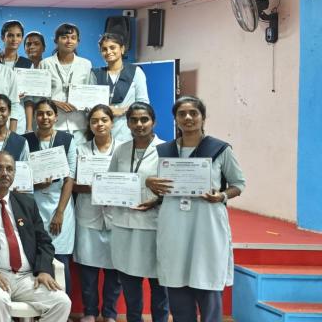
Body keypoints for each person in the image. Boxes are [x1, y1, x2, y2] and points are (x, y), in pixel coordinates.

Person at [146, 96, 246, 322]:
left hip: (207, 224)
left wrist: (221, 195)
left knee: (207, 279)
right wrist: (149, 182)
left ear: (203, 117)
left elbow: (238, 184)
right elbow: (155, 182)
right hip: (173, 223)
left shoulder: (219, 149)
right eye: (182, 114)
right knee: (176, 281)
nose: (188, 118)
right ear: (175, 119)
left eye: (193, 113)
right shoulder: (164, 151)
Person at [0, 151, 70, 322]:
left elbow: (44, 241)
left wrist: (44, 270)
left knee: (62, 302)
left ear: (15, 173)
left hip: (28, 277)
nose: (5, 173)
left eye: (9, 169)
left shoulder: (27, 203)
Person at [108, 102, 169, 322]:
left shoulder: (166, 150)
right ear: (127, 123)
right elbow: (111, 181)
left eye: (144, 119)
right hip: (124, 226)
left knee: (159, 287)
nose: (139, 124)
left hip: (153, 226)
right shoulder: (121, 150)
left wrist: (157, 200)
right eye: (133, 120)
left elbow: (174, 188)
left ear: (154, 122)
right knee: (130, 287)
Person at [72, 105, 121, 322]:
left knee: (114, 269)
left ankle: (110, 313)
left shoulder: (123, 148)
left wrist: (110, 186)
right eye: (94, 121)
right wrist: (94, 187)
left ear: (112, 122)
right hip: (88, 214)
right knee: (88, 269)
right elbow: (71, 183)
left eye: (104, 120)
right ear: (89, 125)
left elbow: (130, 182)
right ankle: (90, 312)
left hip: (115, 216)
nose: (99, 124)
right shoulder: (80, 150)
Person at [23, 98, 77, 294]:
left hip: (60, 205)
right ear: (35, 117)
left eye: (49, 113)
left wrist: (60, 213)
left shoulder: (67, 140)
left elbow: (70, 177)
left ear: (56, 117)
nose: (44, 117)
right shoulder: (25, 140)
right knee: (35, 256)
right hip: (33, 204)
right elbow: (19, 176)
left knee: (60, 260)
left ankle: (63, 304)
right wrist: (38, 185)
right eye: (40, 113)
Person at [90, 33, 149, 143]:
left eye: (112, 47)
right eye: (104, 49)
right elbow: (91, 104)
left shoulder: (135, 72)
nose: (108, 52)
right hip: (102, 130)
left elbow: (143, 103)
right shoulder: (95, 74)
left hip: (127, 130)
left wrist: (121, 110)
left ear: (122, 49)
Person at [40, 23, 91, 139]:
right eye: (64, 37)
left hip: (79, 124)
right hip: (53, 125)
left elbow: (89, 92)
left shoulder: (86, 64)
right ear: (56, 40)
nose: (69, 41)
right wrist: (53, 102)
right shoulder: (45, 64)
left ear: (78, 41)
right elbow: (39, 97)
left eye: (73, 38)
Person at [20, 32, 47, 134]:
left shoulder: (49, 67)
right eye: (28, 44)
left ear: (44, 48)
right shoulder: (18, 68)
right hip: (23, 118)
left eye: (36, 43)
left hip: (46, 117)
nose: (32, 47)